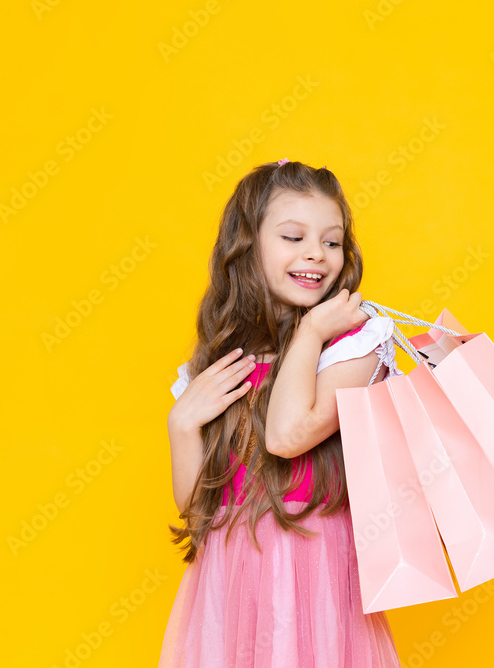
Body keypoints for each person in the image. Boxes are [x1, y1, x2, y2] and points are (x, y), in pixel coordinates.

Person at [160, 159, 405, 666]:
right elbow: (202, 510)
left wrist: (313, 332)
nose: (316, 253)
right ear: (246, 247)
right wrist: (182, 424)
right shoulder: (220, 362)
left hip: (317, 578)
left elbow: (288, 435)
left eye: (332, 241)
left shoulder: (354, 346)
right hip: (229, 586)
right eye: (293, 237)